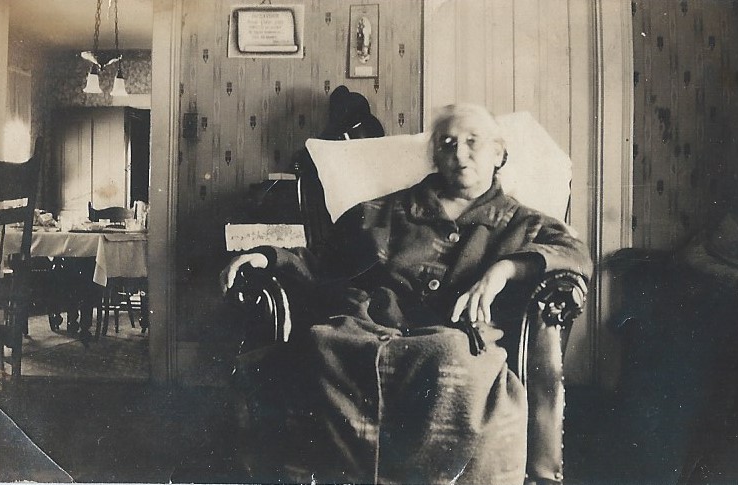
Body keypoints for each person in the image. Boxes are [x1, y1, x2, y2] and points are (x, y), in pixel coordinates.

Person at [220, 104, 592, 484]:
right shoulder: (385, 211)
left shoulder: (522, 222)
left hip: (455, 336)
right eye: (447, 143)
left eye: (472, 142)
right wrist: (268, 257)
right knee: (321, 344)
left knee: (453, 360)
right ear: (435, 155)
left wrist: (504, 270)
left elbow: (574, 254)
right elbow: (324, 261)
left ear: (498, 153)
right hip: (367, 328)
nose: (459, 154)